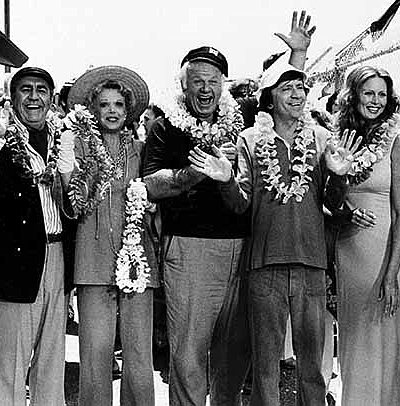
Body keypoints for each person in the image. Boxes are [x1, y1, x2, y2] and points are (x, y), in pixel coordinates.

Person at [189, 55, 361, 406]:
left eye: (301, 87)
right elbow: (240, 204)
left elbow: (333, 202)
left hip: (310, 263)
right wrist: (224, 181)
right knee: (265, 365)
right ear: (269, 97)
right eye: (288, 88)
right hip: (263, 265)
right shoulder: (251, 139)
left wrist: (340, 174)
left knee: (312, 364)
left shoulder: (322, 136)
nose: (298, 94)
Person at [0, 67, 74, 406]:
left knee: (52, 360)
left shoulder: (63, 141)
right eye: (26, 90)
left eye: (42, 89)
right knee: (11, 363)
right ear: (11, 99)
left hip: (58, 255)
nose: (34, 96)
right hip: (13, 264)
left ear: (52, 99)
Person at [142, 45, 250, 406]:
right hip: (190, 248)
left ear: (224, 86)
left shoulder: (238, 121)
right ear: (183, 85)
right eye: (197, 81)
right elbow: (151, 186)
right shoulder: (164, 127)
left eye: (213, 81)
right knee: (189, 353)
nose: (205, 89)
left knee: (234, 354)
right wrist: (195, 173)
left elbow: (280, 101)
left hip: (240, 247)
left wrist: (298, 53)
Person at [56, 65, 158, 406]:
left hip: (138, 264)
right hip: (93, 261)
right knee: (95, 355)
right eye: (104, 105)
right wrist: (68, 150)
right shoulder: (79, 149)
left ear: (128, 110)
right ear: (92, 109)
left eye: (118, 104)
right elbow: (69, 201)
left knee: (139, 356)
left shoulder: (142, 150)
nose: (112, 111)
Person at [331, 66, 400, 406]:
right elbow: (331, 202)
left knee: (386, 339)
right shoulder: (338, 139)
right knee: (354, 341)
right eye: (369, 93)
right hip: (350, 249)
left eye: (382, 94)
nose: (376, 101)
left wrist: (392, 274)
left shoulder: (399, 140)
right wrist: (341, 182)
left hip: (387, 250)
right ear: (354, 95)